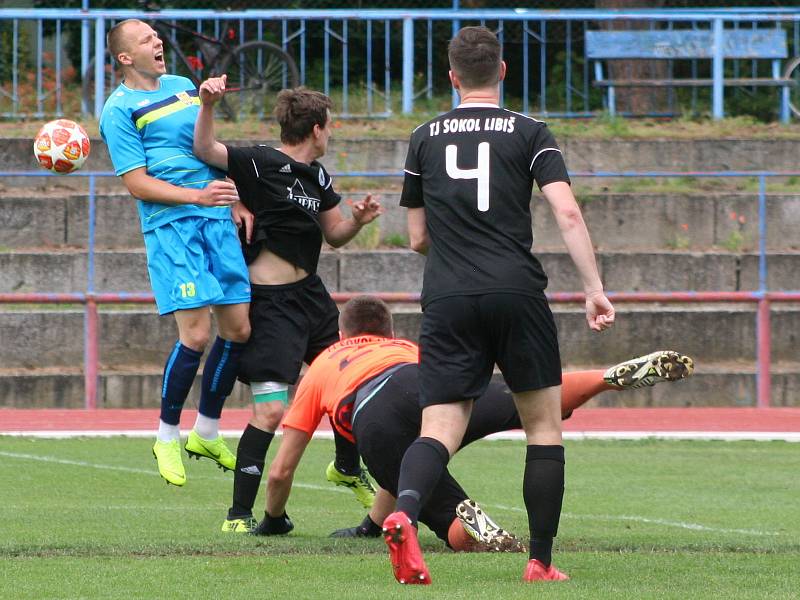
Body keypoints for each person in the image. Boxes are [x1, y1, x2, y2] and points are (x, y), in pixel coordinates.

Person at [385, 26, 617, 584]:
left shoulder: (425, 136)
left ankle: (405, 512)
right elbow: (567, 213)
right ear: (504, 71)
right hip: (516, 290)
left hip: (448, 294)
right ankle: (539, 561)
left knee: (439, 426)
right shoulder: (530, 131)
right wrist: (593, 289)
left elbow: (416, 237)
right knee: (542, 426)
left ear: (452, 77)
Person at [260, 296, 693, 549]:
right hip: (424, 381)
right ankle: (603, 378)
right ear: (388, 332)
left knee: (425, 486)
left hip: (371, 409)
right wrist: (369, 526)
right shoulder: (403, 347)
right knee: (532, 402)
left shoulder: (323, 364)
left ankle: (467, 524)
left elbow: (281, 471)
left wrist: (273, 519)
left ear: (342, 335)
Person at [192, 79, 383, 534]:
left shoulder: (318, 177)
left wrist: (355, 220)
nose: (331, 134)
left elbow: (334, 235)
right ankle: (238, 514)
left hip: (312, 299)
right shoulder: (259, 161)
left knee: (349, 386)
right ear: (316, 129)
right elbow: (204, 148)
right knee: (272, 412)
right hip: (270, 305)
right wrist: (207, 105)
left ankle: (346, 466)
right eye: (330, 127)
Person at [99, 19, 251, 487]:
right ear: (126, 58)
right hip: (173, 228)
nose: (157, 42)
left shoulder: (183, 85)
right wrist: (195, 198)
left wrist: (237, 196)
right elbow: (136, 182)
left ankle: (206, 430)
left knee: (239, 328)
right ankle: (167, 435)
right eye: (146, 39)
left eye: (156, 36)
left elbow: (207, 148)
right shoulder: (118, 109)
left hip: (216, 218)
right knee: (197, 334)